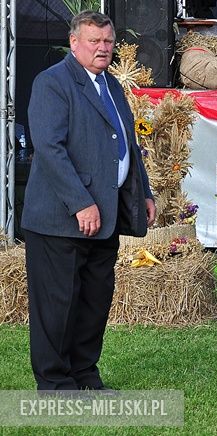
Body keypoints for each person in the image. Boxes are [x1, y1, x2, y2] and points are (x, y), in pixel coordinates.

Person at [23, 11, 156, 391]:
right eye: (94, 41)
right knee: (58, 307)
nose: (102, 48)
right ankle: (54, 383)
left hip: (106, 218)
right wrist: (81, 202)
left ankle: (85, 376)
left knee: (94, 303)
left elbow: (127, 144)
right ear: (74, 43)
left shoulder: (112, 86)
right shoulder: (53, 83)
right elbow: (49, 148)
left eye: (108, 42)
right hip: (60, 220)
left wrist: (142, 191)